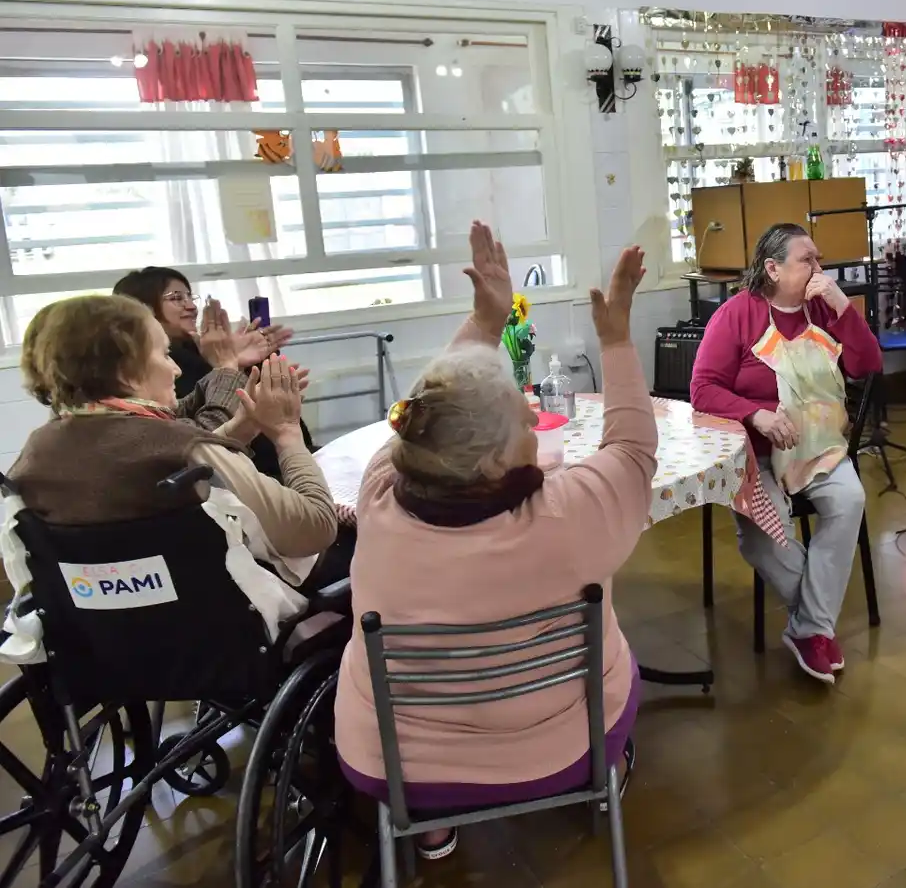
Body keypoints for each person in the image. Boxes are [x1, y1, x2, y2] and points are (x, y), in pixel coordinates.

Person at [334, 224, 653, 862]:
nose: (534, 417)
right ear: (487, 466)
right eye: (520, 417)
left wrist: (485, 321)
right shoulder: (566, 516)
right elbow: (633, 451)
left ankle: (428, 823)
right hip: (556, 755)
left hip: (391, 765)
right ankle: (605, 777)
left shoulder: (377, 491)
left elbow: (420, 419)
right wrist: (616, 339)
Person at [10, 294, 341, 612]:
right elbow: (317, 528)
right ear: (127, 369)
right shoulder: (185, 453)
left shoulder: (33, 456)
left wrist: (245, 424)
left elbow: (189, 449)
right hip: (221, 638)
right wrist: (286, 433)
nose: (177, 370)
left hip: (103, 648)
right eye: (164, 354)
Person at [689, 223, 882, 684]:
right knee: (761, 538)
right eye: (807, 260)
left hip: (820, 447)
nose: (819, 269)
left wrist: (843, 307)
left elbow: (868, 366)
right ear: (773, 269)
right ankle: (815, 621)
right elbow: (702, 389)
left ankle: (808, 627)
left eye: (819, 259)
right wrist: (756, 415)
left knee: (850, 501)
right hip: (753, 455)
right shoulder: (738, 314)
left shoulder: (824, 310)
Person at [114, 268, 314, 480]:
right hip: (249, 475)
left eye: (190, 297)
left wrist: (244, 364)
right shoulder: (154, 370)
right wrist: (226, 364)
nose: (191, 306)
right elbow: (206, 434)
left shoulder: (199, 349)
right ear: (143, 309)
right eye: (177, 298)